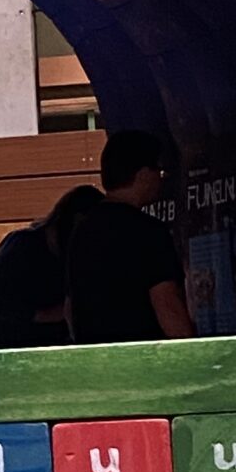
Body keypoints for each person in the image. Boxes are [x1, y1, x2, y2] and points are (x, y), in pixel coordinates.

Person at [64, 131, 192, 344]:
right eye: (159, 172)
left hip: (93, 354)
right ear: (143, 175)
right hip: (144, 355)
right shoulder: (149, 231)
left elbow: (69, 308)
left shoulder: (81, 230)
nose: (161, 180)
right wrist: (192, 353)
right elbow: (167, 304)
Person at [0, 184, 101, 349]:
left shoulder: (67, 253)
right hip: (6, 347)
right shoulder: (21, 244)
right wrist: (50, 314)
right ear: (77, 220)